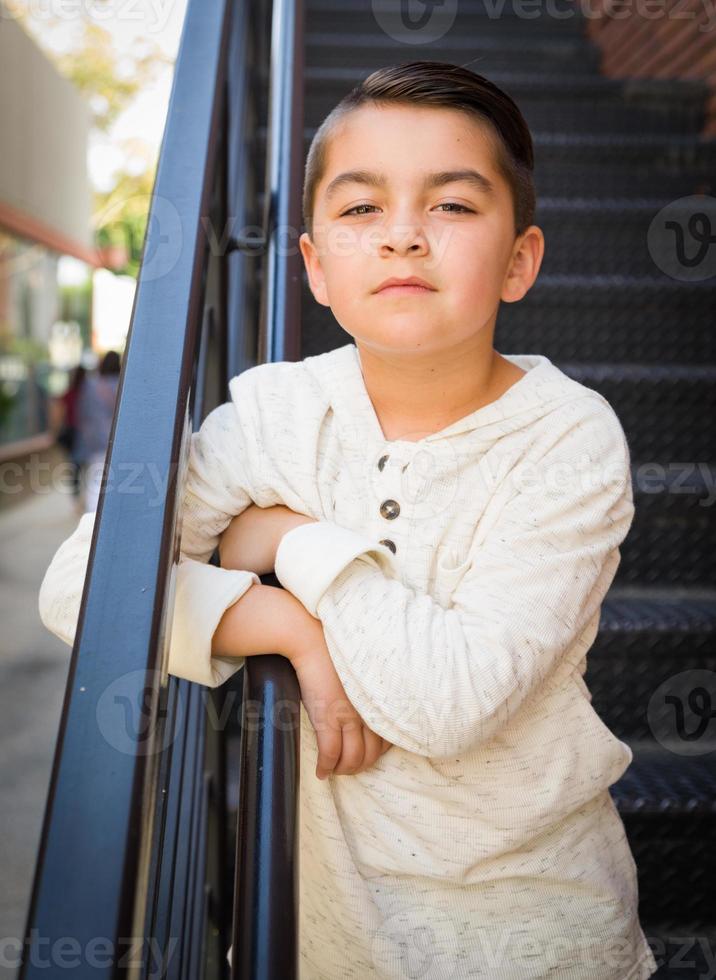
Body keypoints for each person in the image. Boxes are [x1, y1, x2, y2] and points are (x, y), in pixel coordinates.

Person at [37, 63, 658, 979]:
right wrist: (287, 625)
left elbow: (446, 706)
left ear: (520, 260)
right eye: (362, 210)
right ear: (316, 266)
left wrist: (295, 543)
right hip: (324, 940)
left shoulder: (567, 437)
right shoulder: (276, 415)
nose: (404, 235)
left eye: (451, 206)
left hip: (538, 931)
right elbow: (82, 592)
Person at [73, 349, 121, 513]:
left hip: (97, 440)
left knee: (96, 479)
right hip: (119, 439)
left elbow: (82, 412)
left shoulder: (92, 386)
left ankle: (93, 518)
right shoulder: (124, 384)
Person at [55, 364, 86, 510]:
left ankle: (77, 499)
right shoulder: (88, 393)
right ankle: (85, 498)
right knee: (88, 466)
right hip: (85, 433)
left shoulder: (69, 393)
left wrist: (54, 431)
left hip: (73, 433)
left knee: (74, 467)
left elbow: (59, 414)